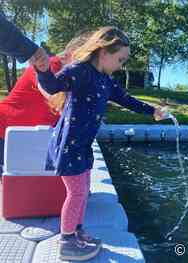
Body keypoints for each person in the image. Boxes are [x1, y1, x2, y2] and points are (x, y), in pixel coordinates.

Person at [35, 26, 168, 261]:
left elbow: (127, 100)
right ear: (104, 52)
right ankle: (66, 242)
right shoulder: (80, 71)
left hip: (82, 146)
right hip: (69, 146)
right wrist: (43, 70)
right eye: (120, 59)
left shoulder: (106, 81)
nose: (122, 65)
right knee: (76, 193)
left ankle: (76, 232)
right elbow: (52, 86)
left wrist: (152, 111)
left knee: (83, 192)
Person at [0, 31, 93, 176]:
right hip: (4, 130)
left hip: (23, 136)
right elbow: (50, 93)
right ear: (72, 53)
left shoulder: (74, 76)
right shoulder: (47, 65)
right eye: (88, 60)